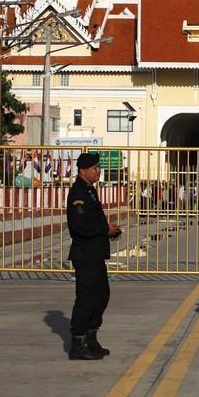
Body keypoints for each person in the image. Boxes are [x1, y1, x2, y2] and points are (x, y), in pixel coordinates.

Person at [67, 152, 122, 360]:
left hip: (96, 253)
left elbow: (93, 221)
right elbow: (79, 225)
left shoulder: (90, 190)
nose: (98, 171)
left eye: (99, 167)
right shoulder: (78, 192)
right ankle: (78, 343)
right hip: (85, 254)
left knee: (101, 296)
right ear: (83, 171)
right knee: (86, 299)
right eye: (95, 168)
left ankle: (91, 337)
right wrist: (104, 229)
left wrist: (110, 231)